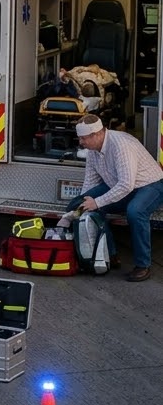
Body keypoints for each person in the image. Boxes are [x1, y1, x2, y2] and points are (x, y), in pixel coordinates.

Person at [66, 115, 163, 281]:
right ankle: (109, 255)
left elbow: (126, 184)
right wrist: (78, 210)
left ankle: (142, 265)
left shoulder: (121, 145)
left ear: (96, 134)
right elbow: (90, 182)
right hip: (120, 185)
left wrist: (97, 202)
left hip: (150, 184)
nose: (81, 142)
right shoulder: (93, 150)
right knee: (78, 203)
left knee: (135, 211)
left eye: (83, 138)